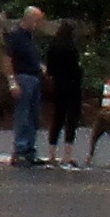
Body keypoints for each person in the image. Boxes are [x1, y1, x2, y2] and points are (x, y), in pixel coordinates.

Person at [6, 6, 46, 167]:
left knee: (33, 116)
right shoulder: (15, 37)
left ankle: (30, 149)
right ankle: (20, 150)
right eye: (36, 21)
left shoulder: (30, 38)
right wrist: (12, 81)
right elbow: (7, 60)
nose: (37, 25)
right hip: (22, 77)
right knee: (23, 115)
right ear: (27, 19)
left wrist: (41, 66)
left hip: (34, 77)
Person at [44, 20, 84, 167]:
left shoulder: (53, 46)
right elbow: (76, 67)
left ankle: (51, 154)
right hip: (73, 86)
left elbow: (49, 70)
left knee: (57, 118)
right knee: (71, 119)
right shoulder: (72, 48)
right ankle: (67, 155)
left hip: (58, 85)